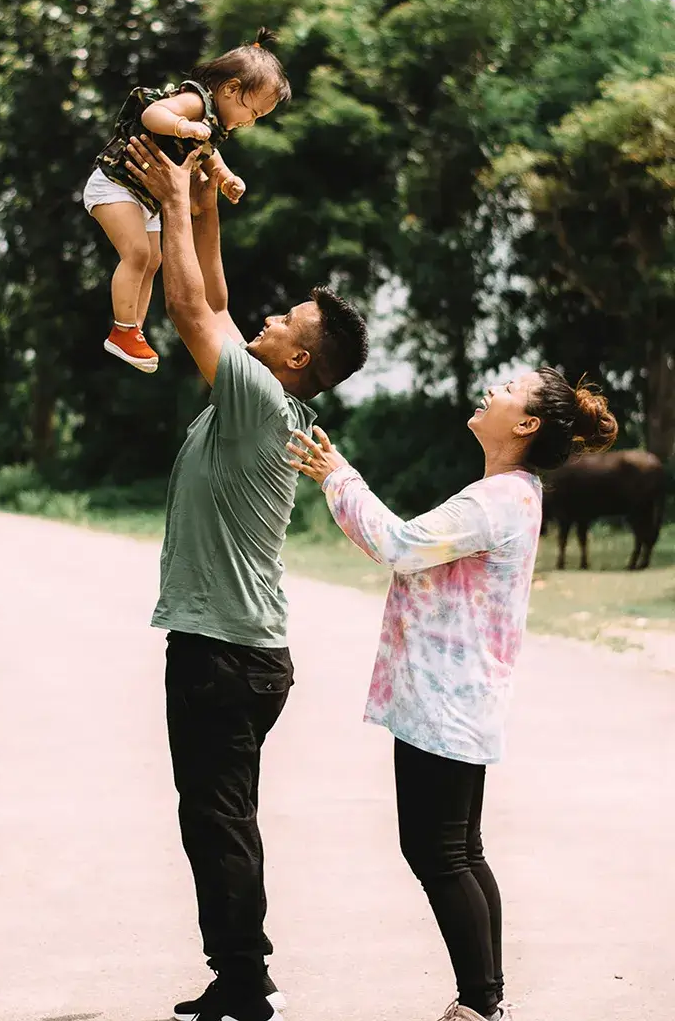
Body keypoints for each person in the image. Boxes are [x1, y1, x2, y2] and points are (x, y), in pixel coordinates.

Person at [122, 134, 369, 1021]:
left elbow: (190, 306)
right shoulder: (263, 393)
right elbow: (216, 297)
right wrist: (207, 201)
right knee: (221, 814)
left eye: (285, 326)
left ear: (298, 360)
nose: (263, 321)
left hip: (224, 655)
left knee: (216, 819)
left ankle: (244, 980)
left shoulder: (260, 398)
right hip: (237, 651)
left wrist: (176, 206)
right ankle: (240, 969)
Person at [287, 370, 618, 1021]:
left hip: (445, 701)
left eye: (511, 388)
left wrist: (336, 475)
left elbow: (399, 545)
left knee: (437, 852)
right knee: (461, 850)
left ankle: (479, 1006)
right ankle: (487, 1001)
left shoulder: (497, 502)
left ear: (524, 425)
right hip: (463, 698)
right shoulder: (512, 493)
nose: (494, 388)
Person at [84, 27, 290, 373]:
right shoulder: (195, 102)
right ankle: (122, 328)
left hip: (145, 198)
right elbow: (153, 115)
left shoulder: (215, 125)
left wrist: (225, 178)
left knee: (153, 259)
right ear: (230, 89)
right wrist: (182, 126)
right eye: (252, 113)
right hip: (116, 184)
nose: (250, 123)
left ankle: (132, 330)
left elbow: (210, 155)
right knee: (136, 253)